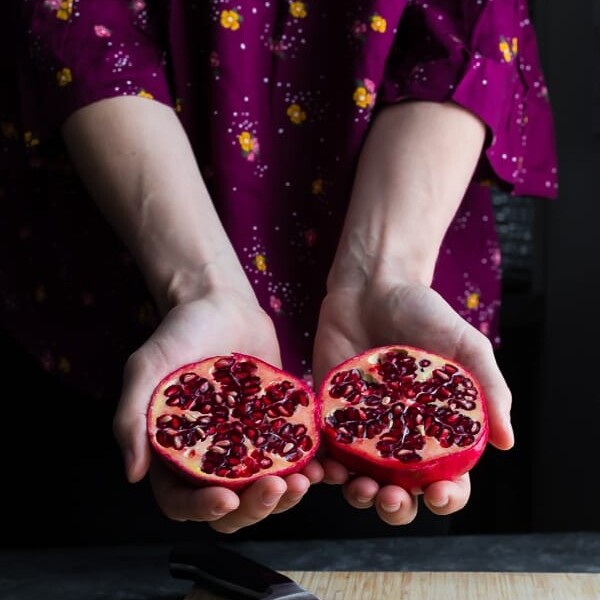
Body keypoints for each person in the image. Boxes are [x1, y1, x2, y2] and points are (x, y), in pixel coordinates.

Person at [1, 0, 557, 538]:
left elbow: (462, 23)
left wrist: (386, 272)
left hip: (409, 225)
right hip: (118, 283)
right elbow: (84, 23)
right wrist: (199, 284)